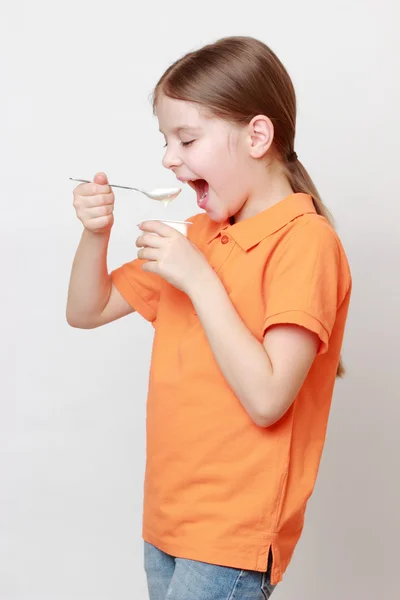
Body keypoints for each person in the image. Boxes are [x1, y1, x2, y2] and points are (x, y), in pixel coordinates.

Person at [66, 36, 352, 600]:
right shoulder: (199, 235)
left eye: (187, 138)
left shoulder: (306, 243)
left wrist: (197, 279)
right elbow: (86, 309)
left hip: (232, 533)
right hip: (169, 518)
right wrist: (94, 236)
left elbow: (269, 398)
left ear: (257, 136)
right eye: (165, 140)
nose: (168, 159)